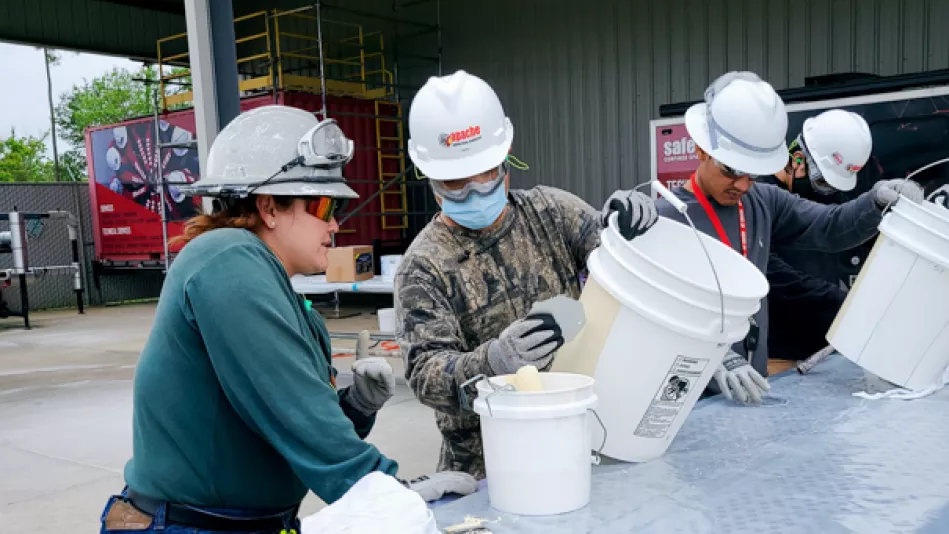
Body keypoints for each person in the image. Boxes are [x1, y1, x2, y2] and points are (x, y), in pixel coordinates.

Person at [97, 105, 476, 534]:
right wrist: (385, 489)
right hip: (191, 525)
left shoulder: (273, 285)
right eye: (323, 206)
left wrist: (354, 407)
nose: (335, 224)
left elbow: (281, 418)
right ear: (269, 207)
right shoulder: (226, 259)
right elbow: (295, 412)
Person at [394, 70, 657, 479]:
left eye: (485, 173)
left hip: (577, 437)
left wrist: (627, 230)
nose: (474, 190)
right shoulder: (423, 266)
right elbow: (426, 376)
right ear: (429, 178)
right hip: (487, 465)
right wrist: (494, 361)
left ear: (507, 159)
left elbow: (619, 265)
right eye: (455, 182)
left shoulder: (551, 212)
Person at [650, 72, 924, 405]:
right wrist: (713, 357)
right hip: (686, 401)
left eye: (752, 173)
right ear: (701, 150)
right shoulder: (667, 217)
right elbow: (656, 315)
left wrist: (876, 202)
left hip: (750, 389)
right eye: (731, 170)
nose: (742, 185)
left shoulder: (762, 202)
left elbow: (829, 227)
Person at [758, 109, 873, 361]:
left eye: (833, 186)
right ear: (797, 159)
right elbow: (773, 275)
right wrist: (841, 302)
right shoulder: (759, 199)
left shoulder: (825, 194)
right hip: (778, 350)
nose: (827, 192)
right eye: (822, 182)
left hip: (826, 344)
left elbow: (841, 228)